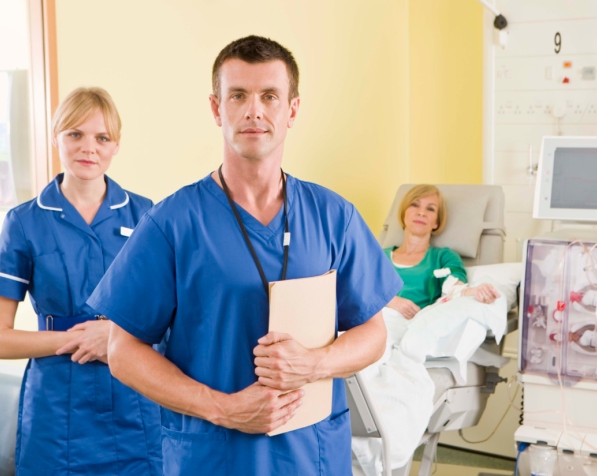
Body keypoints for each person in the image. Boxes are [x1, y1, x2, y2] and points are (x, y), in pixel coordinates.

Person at [85, 35, 402, 475]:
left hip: (311, 455)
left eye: (270, 96)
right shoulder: (173, 222)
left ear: (291, 110)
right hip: (214, 456)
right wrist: (224, 409)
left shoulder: (334, 216)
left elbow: (373, 332)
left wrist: (315, 363)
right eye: (239, 95)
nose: (254, 110)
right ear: (217, 108)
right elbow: (122, 350)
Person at [0, 87, 162, 475]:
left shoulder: (146, 214)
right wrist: (83, 339)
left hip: (135, 401)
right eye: (75, 134)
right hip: (56, 410)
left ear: (116, 145)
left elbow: (172, 315)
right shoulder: (25, 221)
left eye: (102, 138)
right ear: (56, 138)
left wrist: (112, 337)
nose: (88, 148)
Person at [385, 184, 500, 320]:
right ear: (404, 213)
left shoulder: (443, 257)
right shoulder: (378, 256)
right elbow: (357, 291)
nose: (421, 212)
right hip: (371, 319)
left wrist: (475, 291)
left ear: (436, 223)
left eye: (430, 209)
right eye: (415, 205)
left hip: (405, 326)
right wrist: (391, 301)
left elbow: (453, 288)